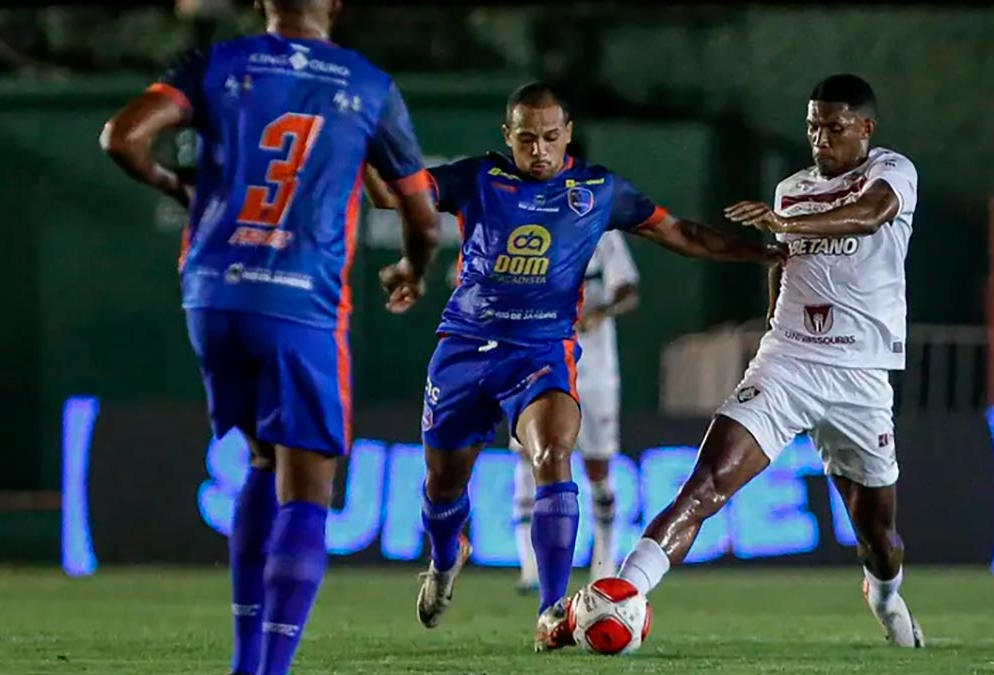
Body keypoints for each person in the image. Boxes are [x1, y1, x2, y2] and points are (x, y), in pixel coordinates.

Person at [369, 80, 782, 651]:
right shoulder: (478, 178)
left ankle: (551, 611)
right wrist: (366, 146)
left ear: (568, 134)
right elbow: (394, 196)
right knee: (444, 486)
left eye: (550, 137)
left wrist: (758, 251)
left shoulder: (597, 190)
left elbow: (678, 232)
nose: (539, 150)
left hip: (542, 353)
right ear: (507, 137)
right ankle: (445, 557)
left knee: (554, 453)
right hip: (465, 349)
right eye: (527, 139)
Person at [99, 2, 441, 674]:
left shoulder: (217, 64)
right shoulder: (367, 84)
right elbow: (419, 212)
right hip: (300, 300)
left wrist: (176, 185)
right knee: (308, 486)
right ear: (337, 4)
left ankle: (244, 662)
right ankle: (270, 668)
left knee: (262, 458)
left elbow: (121, 137)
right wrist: (413, 267)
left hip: (214, 292)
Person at [573, 73, 925, 649]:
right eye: (813, 127)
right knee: (706, 483)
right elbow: (780, 264)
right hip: (787, 361)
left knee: (878, 537)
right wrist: (772, 315)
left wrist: (785, 224)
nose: (821, 140)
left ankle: (884, 597)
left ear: (865, 128)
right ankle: (623, 592)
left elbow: (869, 215)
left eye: (834, 128)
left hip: (861, 376)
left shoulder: (891, 173)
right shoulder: (791, 188)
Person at [510, 230, 640, 593]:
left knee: (597, 467)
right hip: (539, 362)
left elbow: (628, 289)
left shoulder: (603, 231)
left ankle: (603, 562)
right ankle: (529, 568)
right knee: (527, 455)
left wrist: (601, 311)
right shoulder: (527, 226)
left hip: (594, 370)